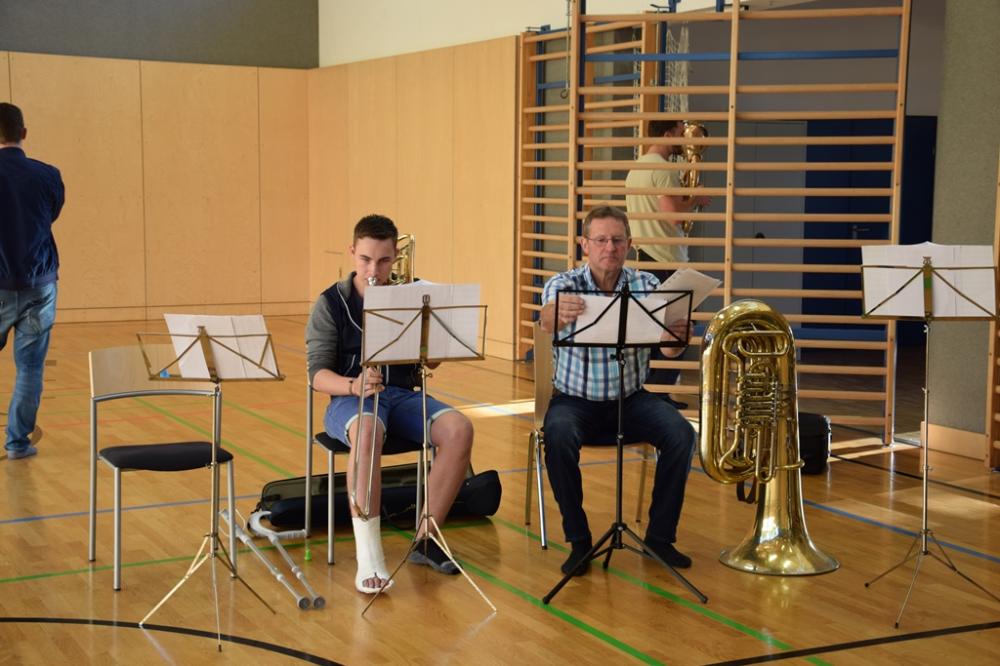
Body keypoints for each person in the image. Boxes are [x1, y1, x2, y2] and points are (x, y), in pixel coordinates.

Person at [306, 214, 474, 594]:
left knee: (459, 429)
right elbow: (317, 375)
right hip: (350, 399)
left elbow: (431, 363)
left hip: (401, 396)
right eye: (365, 259)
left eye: (383, 261)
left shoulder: (413, 294)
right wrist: (354, 384)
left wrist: (434, 337)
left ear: (395, 256)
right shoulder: (330, 303)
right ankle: (370, 556)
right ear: (352, 252)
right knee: (367, 431)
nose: (374, 270)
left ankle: (427, 540)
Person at [539, 206, 696, 576]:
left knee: (681, 434)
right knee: (557, 435)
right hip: (574, 401)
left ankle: (659, 539)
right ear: (584, 244)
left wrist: (677, 338)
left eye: (617, 240)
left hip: (631, 398)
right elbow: (544, 320)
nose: (609, 247)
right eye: (600, 240)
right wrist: (553, 314)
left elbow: (669, 351)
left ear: (629, 244)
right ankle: (579, 541)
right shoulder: (564, 284)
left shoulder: (648, 286)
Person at [625, 119, 712, 408]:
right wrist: (696, 199)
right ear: (666, 134)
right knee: (679, 327)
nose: (682, 140)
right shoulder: (663, 169)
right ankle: (660, 395)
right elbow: (673, 216)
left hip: (645, 256)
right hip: (667, 259)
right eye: (678, 134)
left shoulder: (635, 169)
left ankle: (651, 393)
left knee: (655, 328)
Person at [0, 103, 64, 461]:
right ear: (23, 133)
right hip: (39, 283)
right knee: (29, 368)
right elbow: (49, 215)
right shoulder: (48, 175)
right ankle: (17, 444)